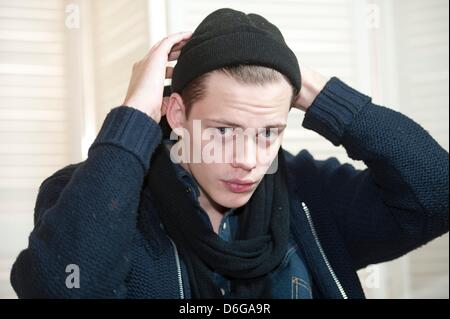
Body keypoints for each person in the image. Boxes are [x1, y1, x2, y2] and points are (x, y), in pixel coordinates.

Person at [11, 8, 448, 299]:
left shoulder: (310, 195)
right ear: (177, 112)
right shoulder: (92, 195)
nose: (250, 159)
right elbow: (64, 288)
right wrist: (134, 117)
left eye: (268, 132)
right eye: (224, 130)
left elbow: (437, 192)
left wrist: (314, 90)